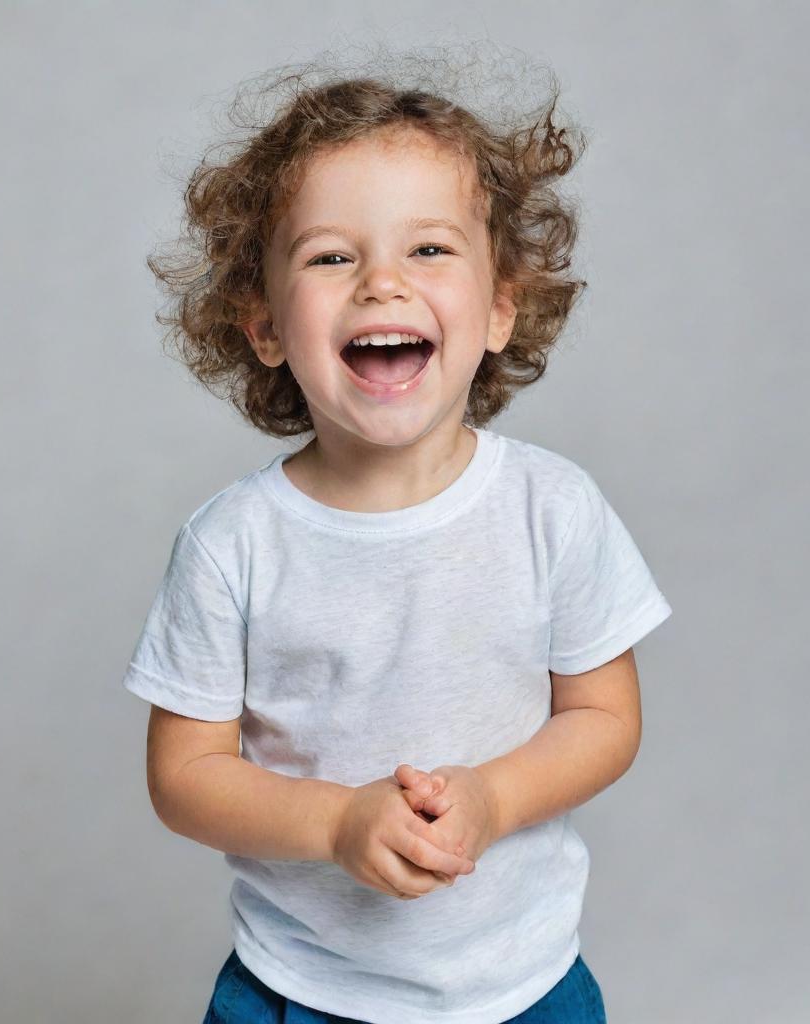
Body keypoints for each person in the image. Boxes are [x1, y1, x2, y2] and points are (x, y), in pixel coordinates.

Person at [122, 52, 672, 1024]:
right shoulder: (233, 544)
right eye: (331, 256)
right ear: (263, 326)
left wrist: (495, 798)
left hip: (520, 984)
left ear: (500, 305)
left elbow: (605, 716)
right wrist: (336, 821)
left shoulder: (556, 510)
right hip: (300, 985)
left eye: (428, 250)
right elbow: (184, 774)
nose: (381, 282)